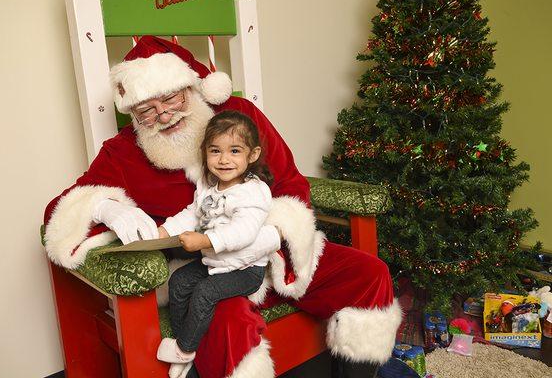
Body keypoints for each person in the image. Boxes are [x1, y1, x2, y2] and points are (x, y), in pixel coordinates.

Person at [44, 36, 401, 378]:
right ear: (133, 114)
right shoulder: (122, 153)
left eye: (171, 99)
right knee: (228, 325)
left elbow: (290, 180)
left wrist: (271, 233)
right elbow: (57, 215)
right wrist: (108, 207)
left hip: (273, 253)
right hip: (208, 271)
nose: (164, 116)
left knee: (369, 273)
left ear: (193, 87)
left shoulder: (238, 117)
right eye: (147, 111)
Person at [155, 112, 277, 377]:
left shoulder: (253, 192)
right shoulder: (209, 185)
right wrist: (165, 230)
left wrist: (206, 239)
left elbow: (244, 231)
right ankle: (183, 341)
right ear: (205, 153)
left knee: (205, 293)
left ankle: (185, 350)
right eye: (215, 151)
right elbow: (192, 213)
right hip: (214, 262)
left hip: (245, 269)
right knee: (178, 283)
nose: (224, 160)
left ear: (252, 155)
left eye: (235, 151)